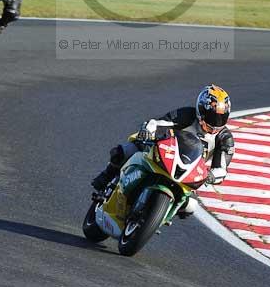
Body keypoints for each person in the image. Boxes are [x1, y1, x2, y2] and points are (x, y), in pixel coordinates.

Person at [91, 85, 234, 217]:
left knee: (191, 206)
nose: (216, 122)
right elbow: (158, 123)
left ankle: (158, 216)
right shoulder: (187, 115)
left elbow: (221, 169)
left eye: (221, 118)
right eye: (212, 116)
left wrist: (210, 176)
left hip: (188, 174)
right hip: (165, 154)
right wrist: (148, 131)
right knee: (127, 149)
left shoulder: (225, 139)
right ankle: (106, 177)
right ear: (201, 110)